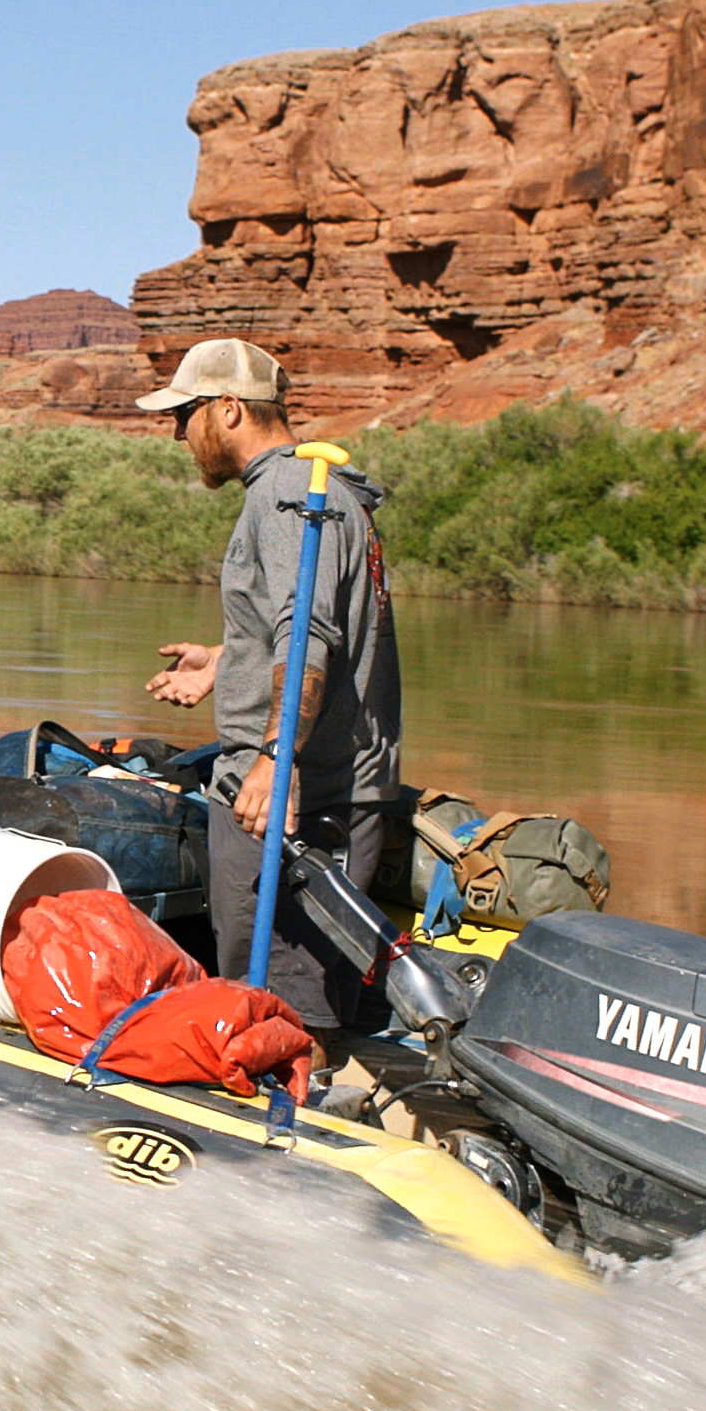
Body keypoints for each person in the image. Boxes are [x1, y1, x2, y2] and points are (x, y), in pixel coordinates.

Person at [135, 338, 403, 1040]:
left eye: (184, 414)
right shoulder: (318, 491)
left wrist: (272, 762)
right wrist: (229, 659)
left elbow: (308, 634)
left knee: (282, 1020)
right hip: (311, 791)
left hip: (294, 805)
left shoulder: (291, 493)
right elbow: (316, 623)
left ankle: (284, 1137)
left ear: (227, 410)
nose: (176, 433)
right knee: (286, 1004)